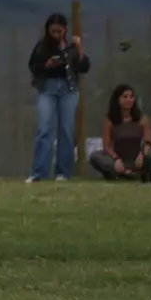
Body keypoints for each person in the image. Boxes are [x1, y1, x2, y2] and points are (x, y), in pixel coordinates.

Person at [25, 12, 91, 183]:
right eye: (53, 31)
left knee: (66, 130)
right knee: (44, 128)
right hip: (48, 88)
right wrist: (46, 65)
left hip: (68, 89)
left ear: (65, 30)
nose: (56, 35)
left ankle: (63, 173)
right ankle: (39, 172)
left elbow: (84, 67)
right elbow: (33, 66)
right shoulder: (42, 47)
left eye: (59, 32)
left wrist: (79, 50)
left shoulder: (70, 47)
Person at [88, 84, 151, 181]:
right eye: (125, 97)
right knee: (95, 156)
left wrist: (142, 154)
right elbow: (106, 146)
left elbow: (148, 143)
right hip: (118, 160)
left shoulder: (142, 119)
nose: (129, 100)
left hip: (137, 160)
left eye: (131, 97)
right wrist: (116, 159)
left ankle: (136, 173)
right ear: (117, 100)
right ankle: (120, 173)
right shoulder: (110, 120)